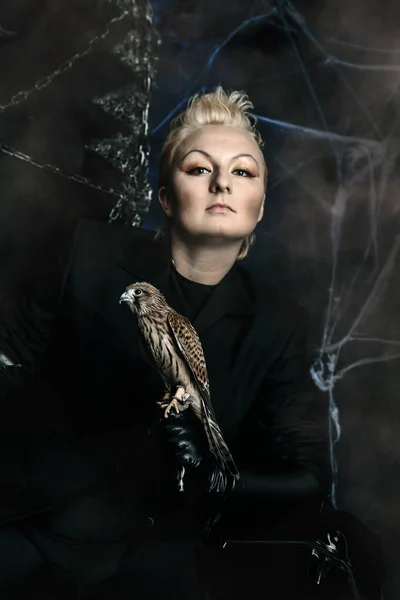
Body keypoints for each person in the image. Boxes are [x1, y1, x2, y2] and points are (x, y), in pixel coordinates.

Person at [0, 86, 330, 599]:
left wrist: (216, 475)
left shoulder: (279, 324)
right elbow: (8, 367)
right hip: (37, 530)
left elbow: (309, 475)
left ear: (260, 206)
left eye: (243, 171)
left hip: (168, 559)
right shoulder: (84, 253)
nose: (222, 181)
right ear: (165, 196)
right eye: (199, 168)